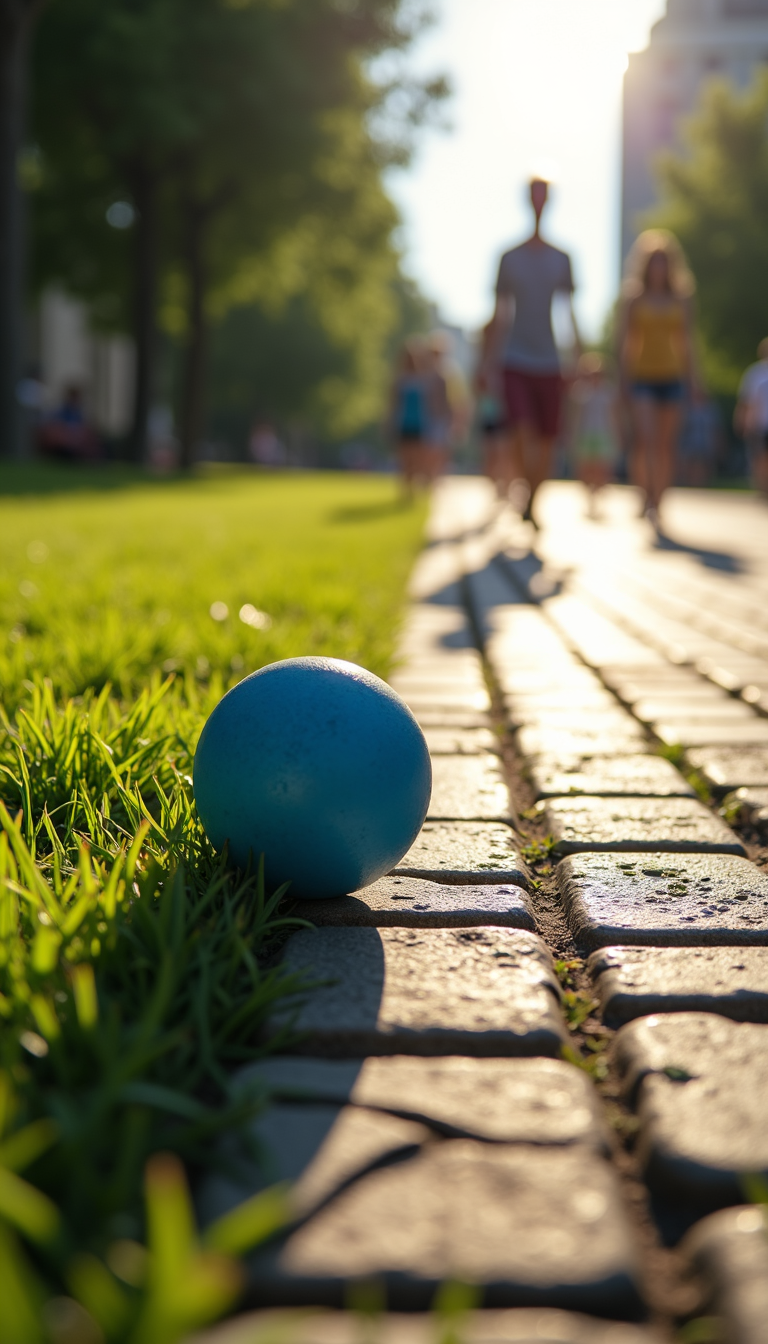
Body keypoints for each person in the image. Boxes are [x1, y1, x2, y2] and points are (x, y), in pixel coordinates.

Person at [493, 176, 581, 525]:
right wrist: (487, 362)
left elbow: (569, 312)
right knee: (519, 428)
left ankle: (533, 498)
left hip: (550, 360)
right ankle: (524, 488)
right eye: (534, 195)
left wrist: (577, 356)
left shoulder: (562, 258)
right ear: (527, 200)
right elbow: (500, 313)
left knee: (547, 437)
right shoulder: (509, 258)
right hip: (514, 357)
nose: (538, 201)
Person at [617, 229, 698, 528]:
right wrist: (623, 380)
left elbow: (687, 342)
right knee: (646, 440)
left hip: (672, 377)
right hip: (642, 378)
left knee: (666, 444)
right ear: (646, 265)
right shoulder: (634, 299)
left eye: (664, 262)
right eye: (654, 261)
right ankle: (644, 496)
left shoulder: (682, 299)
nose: (659, 267)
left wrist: (695, 380)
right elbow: (627, 342)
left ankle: (659, 501)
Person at [568, 353, 620, 517]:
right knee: (585, 469)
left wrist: (617, 435)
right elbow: (576, 417)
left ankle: (597, 497)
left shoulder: (608, 392)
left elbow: (613, 416)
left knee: (601, 469)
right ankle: (590, 498)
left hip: (603, 435)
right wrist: (572, 435)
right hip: (585, 436)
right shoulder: (581, 391)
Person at [389, 338, 431, 495]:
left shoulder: (423, 380)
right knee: (404, 458)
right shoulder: (400, 380)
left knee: (418, 458)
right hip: (403, 423)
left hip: (420, 424)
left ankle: (415, 486)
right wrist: (390, 422)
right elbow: (393, 404)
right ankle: (406, 488)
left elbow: (430, 405)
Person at [475, 318, 510, 496]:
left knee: (504, 450)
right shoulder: (482, 360)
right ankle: (497, 484)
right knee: (491, 452)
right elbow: (477, 388)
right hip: (489, 411)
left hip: (506, 410)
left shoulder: (509, 353)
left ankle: (506, 485)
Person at [734, 338, 768, 497]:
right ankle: (762, 490)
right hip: (759, 424)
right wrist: (741, 419)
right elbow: (746, 401)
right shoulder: (754, 373)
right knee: (760, 459)